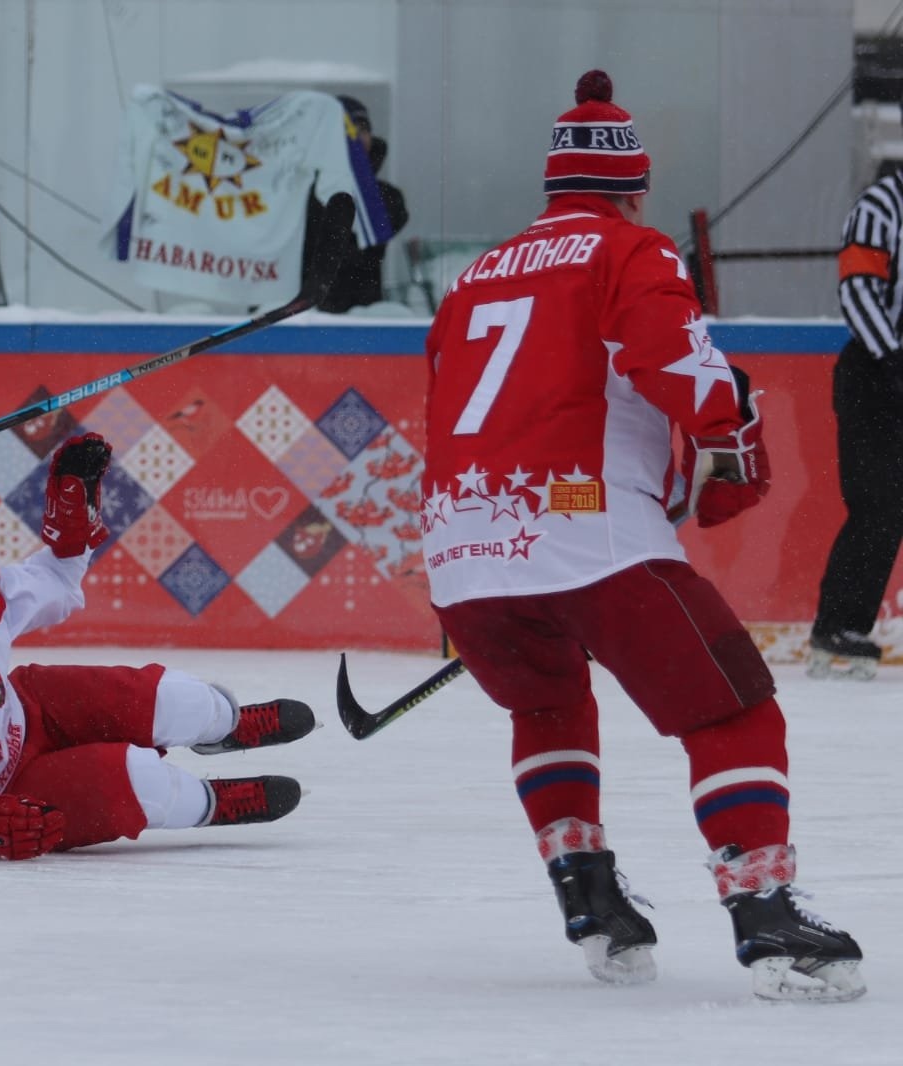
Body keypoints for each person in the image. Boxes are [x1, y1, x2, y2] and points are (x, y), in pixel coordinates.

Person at [417, 71, 864, 1001]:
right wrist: (732, 435)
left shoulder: (469, 280)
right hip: (577, 516)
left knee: (546, 707)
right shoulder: (631, 249)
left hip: (458, 537)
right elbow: (683, 371)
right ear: (633, 187)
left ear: (553, 184)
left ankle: (588, 897)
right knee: (732, 704)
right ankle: (766, 913)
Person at [0, 432, 314, 860]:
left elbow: (55, 578)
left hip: (31, 710)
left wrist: (70, 534)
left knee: (170, 697)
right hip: (5, 799)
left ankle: (227, 724)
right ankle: (214, 803)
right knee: (138, 783)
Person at [807, 162, 903, 680]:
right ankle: (838, 624)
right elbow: (858, 290)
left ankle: (841, 622)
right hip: (874, 372)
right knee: (879, 503)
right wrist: (892, 361)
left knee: (887, 506)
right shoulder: (879, 208)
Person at [305, 95, 409, 312]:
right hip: (307, 314)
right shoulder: (304, 193)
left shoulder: (388, 197)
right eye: (346, 132)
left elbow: (386, 224)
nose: (356, 138)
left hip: (364, 317)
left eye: (362, 129)